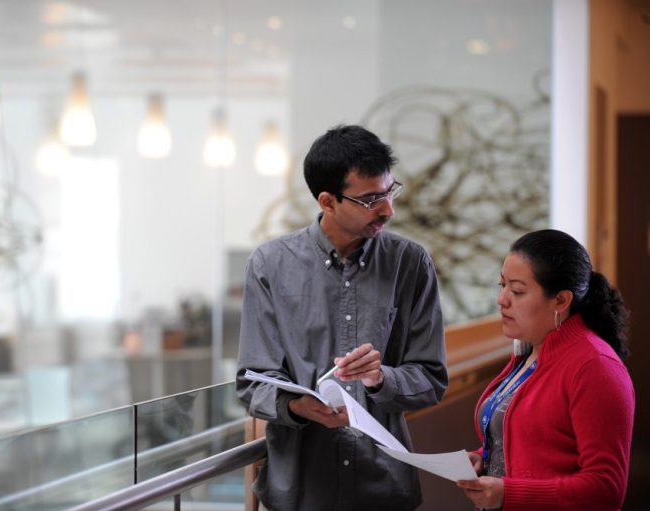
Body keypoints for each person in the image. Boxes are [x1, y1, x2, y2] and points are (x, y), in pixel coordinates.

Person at [236, 124, 448, 511]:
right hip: (300, 490)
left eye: (389, 191)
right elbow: (251, 382)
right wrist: (298, 405)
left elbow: (431, 379)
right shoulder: (270, 265)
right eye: (370, 199)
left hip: (384, 487)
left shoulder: (410, 263)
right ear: (327, 201)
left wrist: (381, 378)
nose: (388, 209)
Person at [457, 229, 635, 511]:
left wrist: (508, 493)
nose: (502, 299)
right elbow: (537, 442)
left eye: (516, 291)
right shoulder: (530, 349)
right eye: (501, 285)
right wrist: (485, 457)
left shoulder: (595, 366)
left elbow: (606, 489)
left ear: (561, 301)